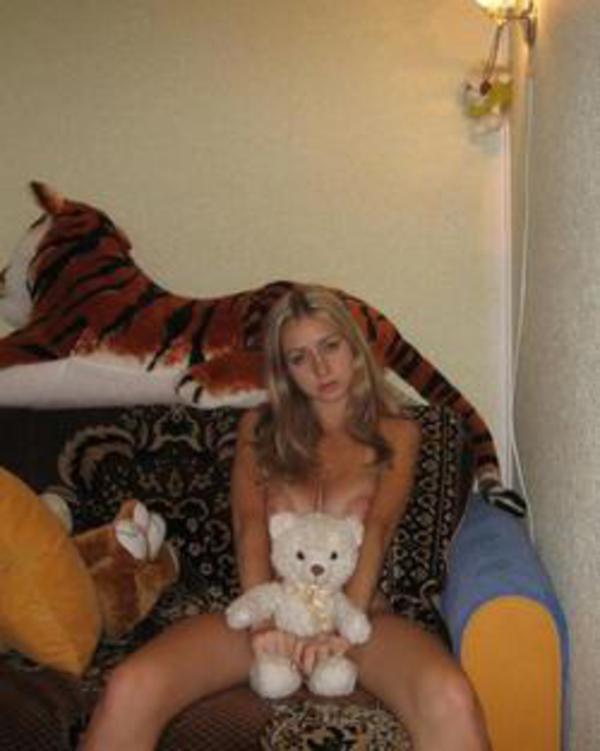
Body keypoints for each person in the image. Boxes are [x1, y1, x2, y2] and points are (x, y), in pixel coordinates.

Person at [80, 285, 490, 751]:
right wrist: (262, 624)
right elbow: (250, 526)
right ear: (285, 370)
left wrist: (339, 630)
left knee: (450, 697)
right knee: (130, 686)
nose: (321, 368)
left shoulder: (399, 433)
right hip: (270, 606)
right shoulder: (259, 428)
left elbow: (377, 530)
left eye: (330, 346)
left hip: (357, 615)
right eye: (299, 358)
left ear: (354, 348)